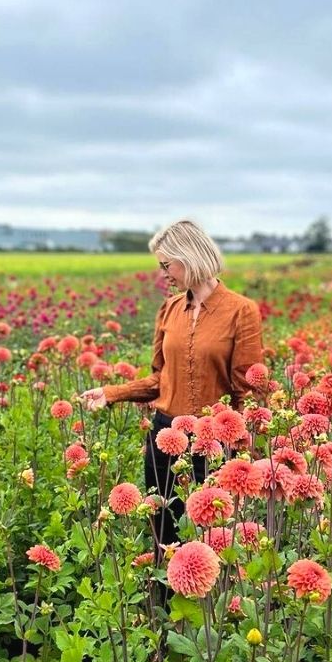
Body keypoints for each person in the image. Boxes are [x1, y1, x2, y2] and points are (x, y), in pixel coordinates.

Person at [81, 219, 264, 553]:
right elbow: (160, 378)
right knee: (165, 535)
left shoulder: (241, 311)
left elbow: (248, 390)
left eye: (167, 265)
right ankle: (164, 603)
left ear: (190, 257)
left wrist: (245, 448)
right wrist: (111, 393)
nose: (163, 274)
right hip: (165, 437)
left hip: (215, 439)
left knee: (216, 539)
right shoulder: (168, 309)